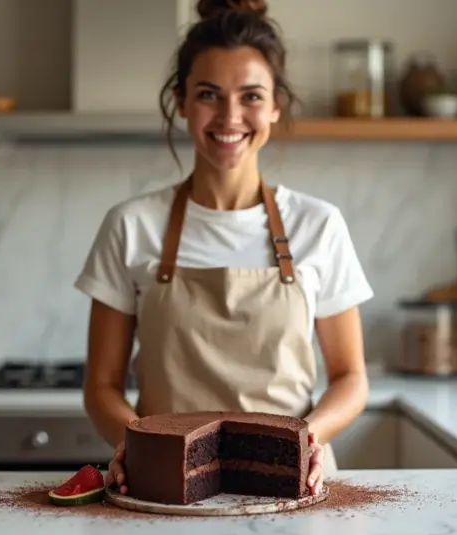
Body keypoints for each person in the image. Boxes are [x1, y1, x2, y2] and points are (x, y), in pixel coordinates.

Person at [74, 0, 374, 498]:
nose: (230, 116)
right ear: (182, 101)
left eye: (251, 96)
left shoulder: (318, 225)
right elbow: (101, 386)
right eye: (208, 94)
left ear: (276, 105)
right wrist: (136, 444)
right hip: (165, 490)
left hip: (292, 487)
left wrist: (310, 438)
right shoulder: (131, 225)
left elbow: (350, 377)